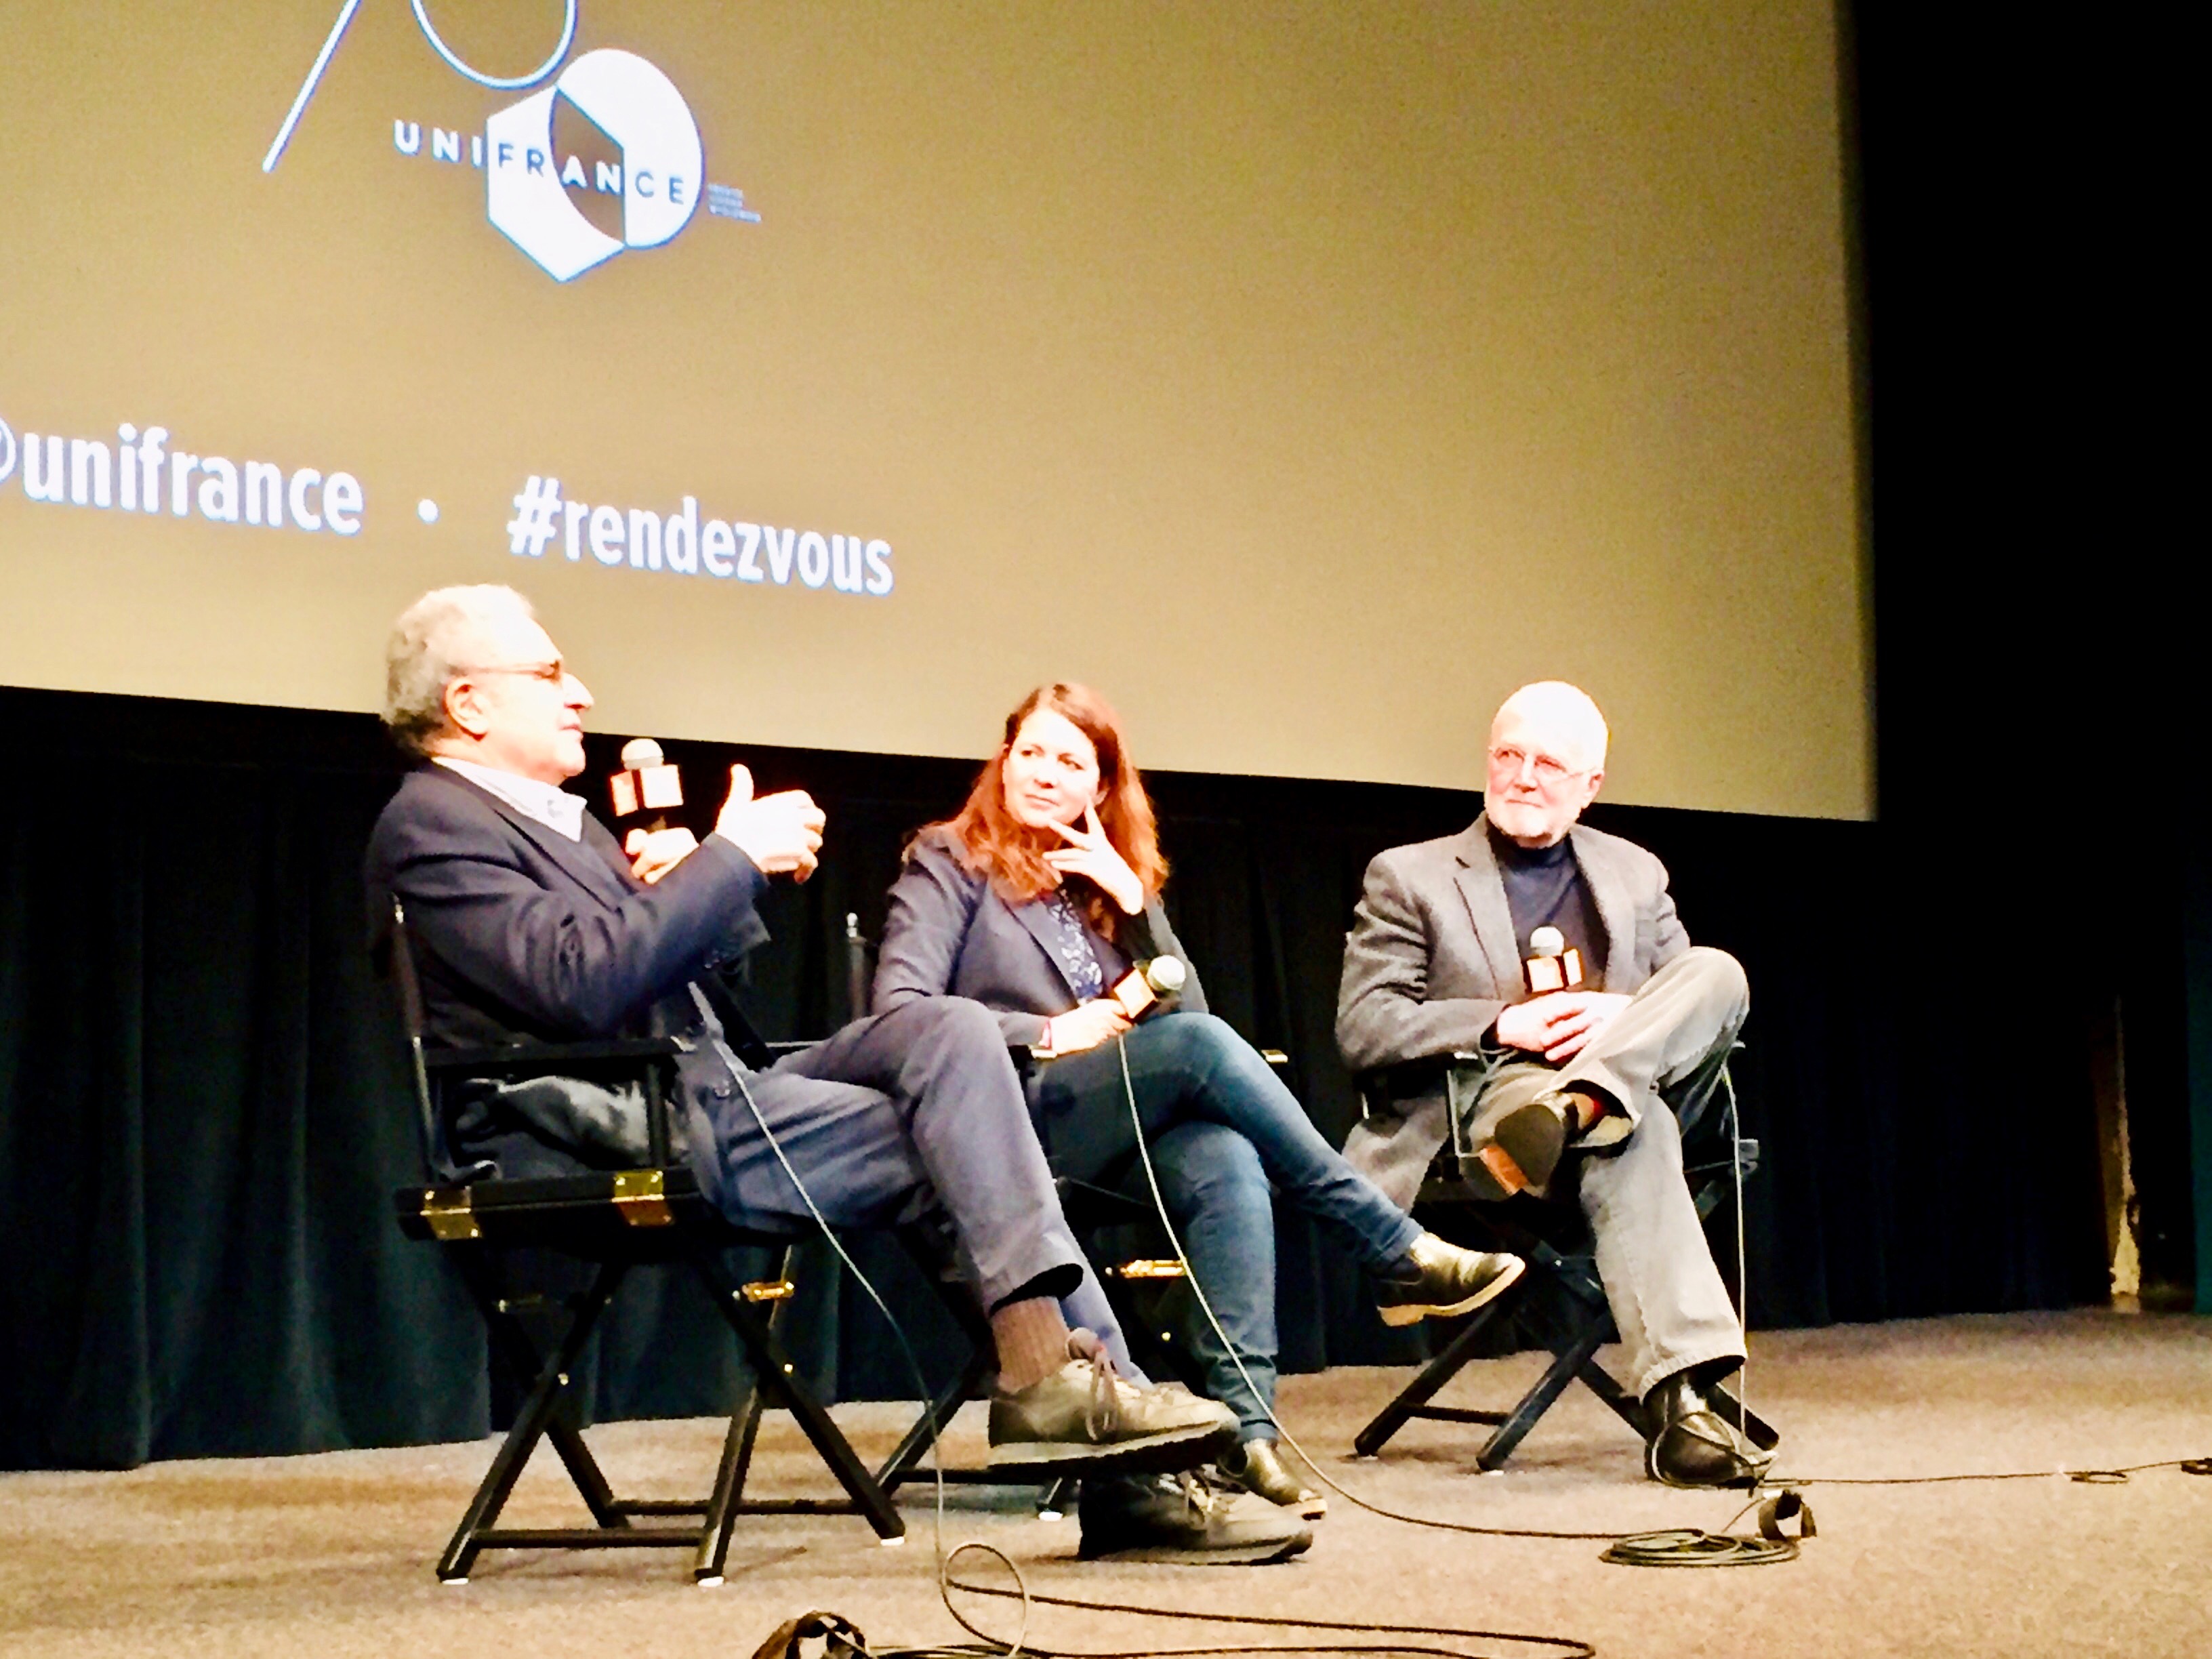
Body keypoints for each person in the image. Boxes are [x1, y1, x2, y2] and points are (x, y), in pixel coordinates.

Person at [363, 586, 1309, 1564]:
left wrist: (698, 888)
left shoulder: (564, 824)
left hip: (709, 1091)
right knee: (969, 1129)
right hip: (603, 1127)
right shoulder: (434, 823)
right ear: (469, 703)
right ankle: (1117, 1459)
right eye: (552, 674)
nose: (582, 695)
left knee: (954, 1040)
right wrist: (727, 861)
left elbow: (687, 985)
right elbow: (580, 984)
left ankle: (1078, 1410)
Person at [872, 682, 1527, 1518]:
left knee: (1225, 1155)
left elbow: (1196, 1024)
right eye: (1029, 753)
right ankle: (1389, 1243)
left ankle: (1245, 1437)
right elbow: (902, 1012)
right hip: (1000, 1125)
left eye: (1068, 761)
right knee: (1199, 1055)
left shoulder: (1107, 885)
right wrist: (1049, 1032)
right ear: (1003, 762)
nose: (1043, 773)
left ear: (1101, 787)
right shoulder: (948, 859)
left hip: (1099, 1127)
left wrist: (1137, 907)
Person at [1335, 680, 1774, 1488]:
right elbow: (1365, 1026)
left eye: (1548, 764)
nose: (1524, 777)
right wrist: (1505, 1024)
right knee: (1637, 1128)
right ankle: (1680, 1408)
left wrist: (1622, 1015)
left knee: (1718, 973)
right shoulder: (1409, 875)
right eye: (1509, 755)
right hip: (1501, 1094)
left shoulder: (1635, 872)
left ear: (1590, 785)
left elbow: (1689, 1002)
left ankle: (1588, 1099)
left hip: (1626, 1077)